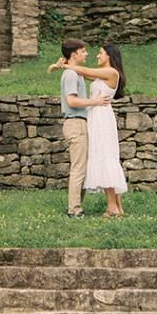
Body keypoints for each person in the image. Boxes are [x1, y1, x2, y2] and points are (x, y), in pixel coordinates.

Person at [49, 41, 128, 216]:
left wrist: (67, 64)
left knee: (105, 158)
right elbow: (80, 73)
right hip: (96, 116)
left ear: (110, 56)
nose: (96, 56)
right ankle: (117, 206)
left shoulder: (110, 71)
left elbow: (83, 71)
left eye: (100, 53)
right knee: (107, 157)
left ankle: (112, 208)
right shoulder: (101, 75)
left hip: (101, 117)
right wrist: (61, 64)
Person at [56, 38, 90, 219]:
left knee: (82, 168)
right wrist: (94, 102)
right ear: (73, 54)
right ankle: (74, 209)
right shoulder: (70, 76)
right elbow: (71, 101)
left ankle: (77, 206)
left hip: (80, 122)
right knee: (78, 168)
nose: (86, 54)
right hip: (75, 123)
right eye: (83, 51)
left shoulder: (74, 72)